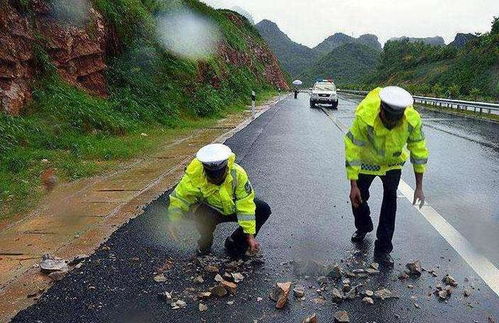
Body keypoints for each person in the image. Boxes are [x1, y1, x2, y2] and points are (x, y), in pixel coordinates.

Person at [344, 86, 429, 266]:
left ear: (403, 114)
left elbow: (419, 151)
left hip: (392, 164)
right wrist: (353, 185)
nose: (390, 124)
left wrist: (419, 187)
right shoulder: (364, 115)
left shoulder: (412, 120)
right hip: (367, 162)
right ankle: (363, 225)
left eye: (395, 121)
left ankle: (383, 247)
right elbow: (353, 149)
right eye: (387, 120)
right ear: (381, 109)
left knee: (390, 199)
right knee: (358, 198)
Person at [166, 143, 271, 257]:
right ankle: (205, 243)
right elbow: (179, 199)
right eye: (212, 175)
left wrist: (249, 236)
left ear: (226, 167)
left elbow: (245, 204)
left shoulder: (238, 174)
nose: (216, 179)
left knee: (263, 209)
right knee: (202, 215)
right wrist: (173, 220)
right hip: (210, 212)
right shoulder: (194, 176)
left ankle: (235, 242)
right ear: (205, 170)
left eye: (220, 174)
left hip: (232, 208)